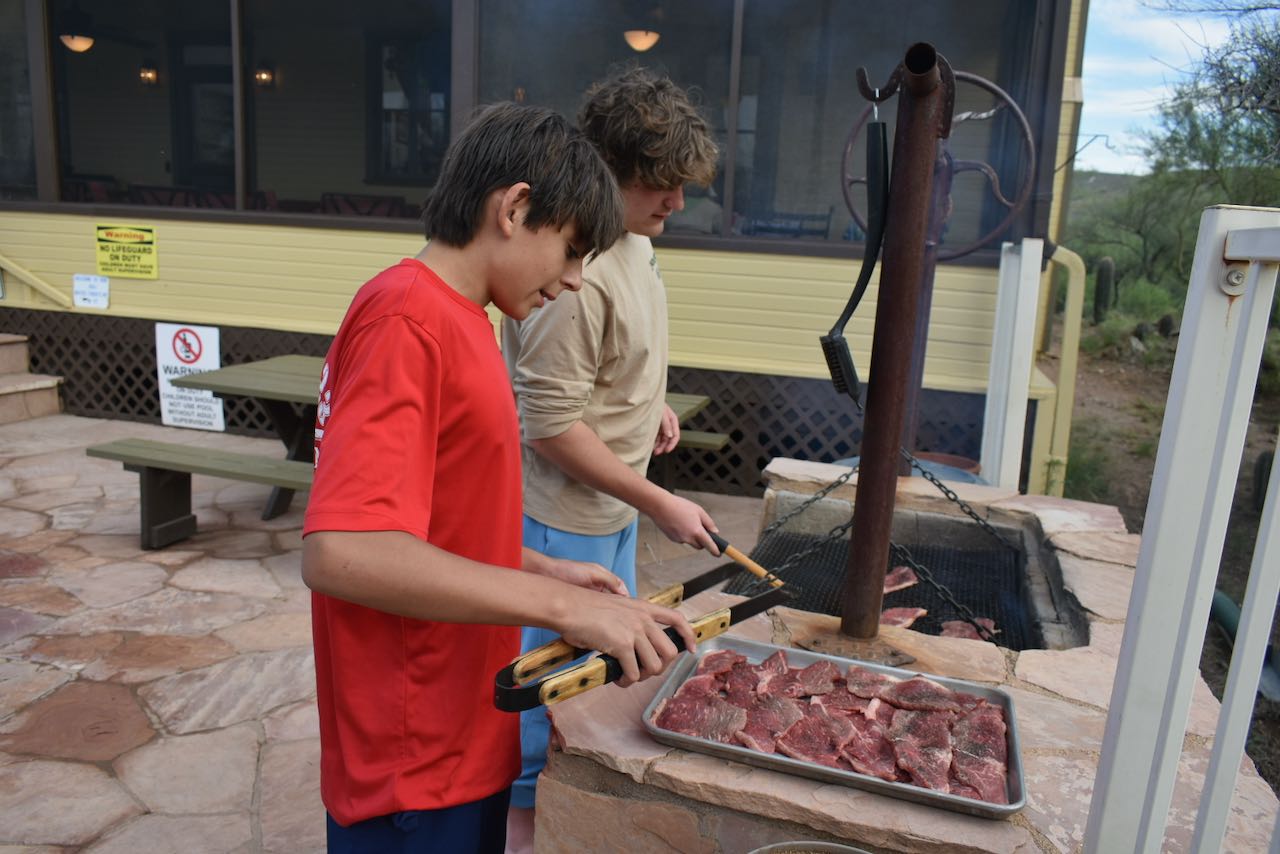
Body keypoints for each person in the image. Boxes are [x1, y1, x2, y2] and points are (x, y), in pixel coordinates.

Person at [301, 102, 697, 854]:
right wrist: (560, 608)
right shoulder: (406, 321)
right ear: (515, 208)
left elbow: (432, 527)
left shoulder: (465, 320)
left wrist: (549, 570)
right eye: (574, 250)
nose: (577, 280)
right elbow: (342, 551)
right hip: (411, 757)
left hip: (462, 731)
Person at [501, 68, 721, 851]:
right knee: (549, 685)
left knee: (601, 669)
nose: (678, 202)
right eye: (661, 184)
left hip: (610, 505)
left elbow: (607, 367)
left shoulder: (632, 242)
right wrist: (662, 501)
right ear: (609, 172)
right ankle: (524, 823)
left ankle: (568, 798)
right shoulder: (575, 274)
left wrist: (647, 404)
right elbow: (550, 425)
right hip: (558, 519)